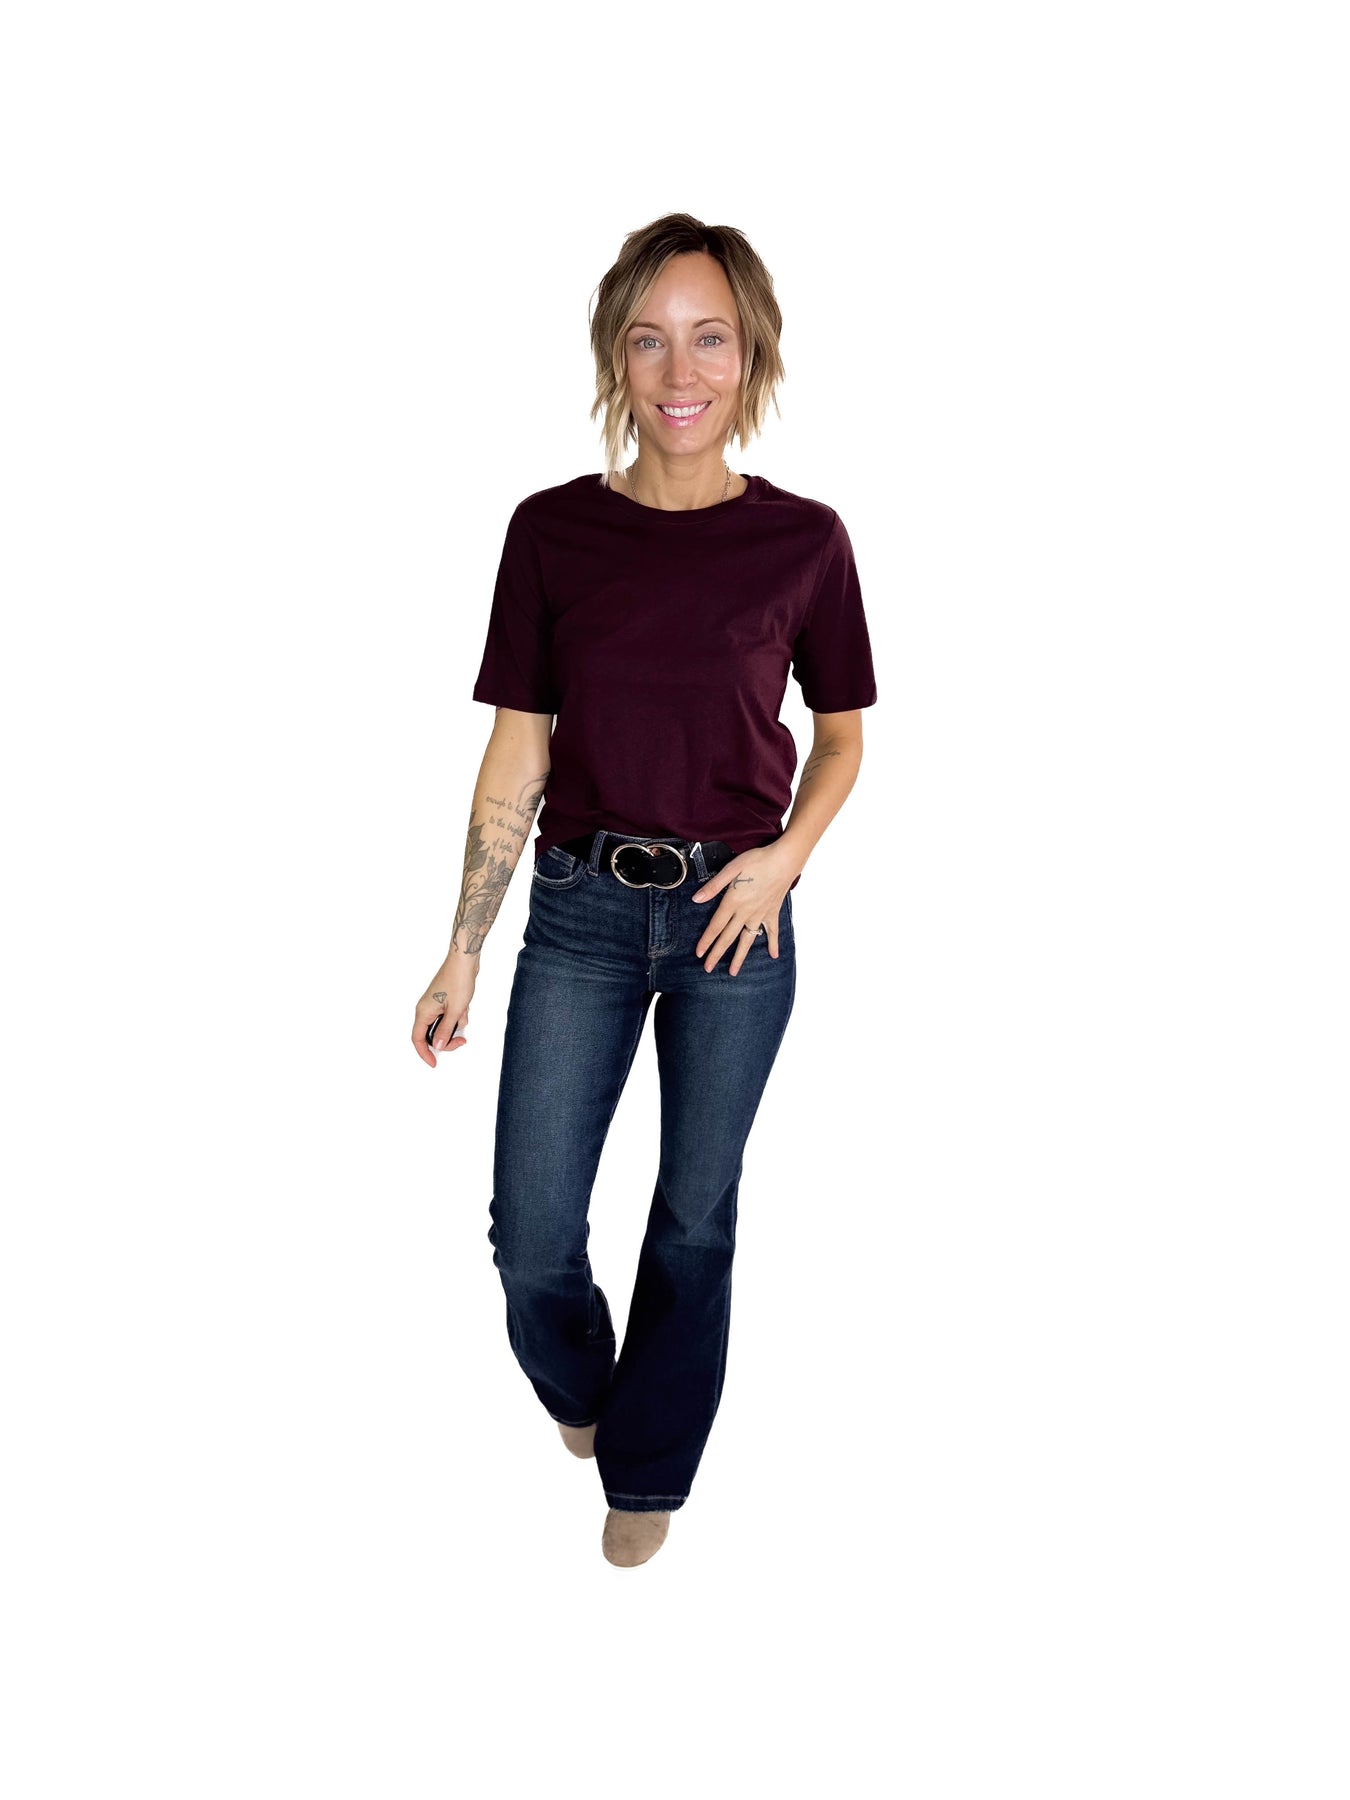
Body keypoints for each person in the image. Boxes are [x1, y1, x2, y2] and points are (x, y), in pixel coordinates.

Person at [411, 213, 877, 1567]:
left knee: (692, 1218)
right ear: (615, 357)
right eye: (650, 340)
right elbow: (518, 748)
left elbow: (842, 740)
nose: (681, 371)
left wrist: (783, 860)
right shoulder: (551, 531)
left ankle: (650, 1470)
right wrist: (462, 947)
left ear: (752, 357)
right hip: (580, 914)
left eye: (710, 338)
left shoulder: (804, 541)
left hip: (738, 920)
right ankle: (580, 1382)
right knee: (531, 1235)